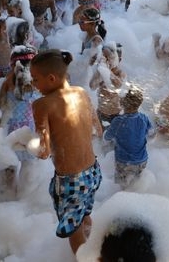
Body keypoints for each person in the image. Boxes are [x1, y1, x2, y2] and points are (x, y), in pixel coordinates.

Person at [30, 49, 102, 254]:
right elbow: (98, 130)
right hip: (93, 172)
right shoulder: (82, 92)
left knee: (74, 230)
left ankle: (84, 258)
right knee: (85, 216)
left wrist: (23, 142)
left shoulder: (42, 105)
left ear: (51, 78)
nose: (33, 85)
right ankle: (98, 252)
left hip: (71, 181)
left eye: (35, 79)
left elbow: (43, 151)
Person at [103, 87, 155, 190]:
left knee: (122, 185)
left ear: (123, 103)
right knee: (137, 183)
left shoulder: (118, 121)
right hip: (141, 159)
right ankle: (135, 194)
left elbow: (107, 137)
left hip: (123, 161)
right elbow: (152, 134)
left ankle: (122, 197)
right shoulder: (144, 118)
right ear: (139, 104)